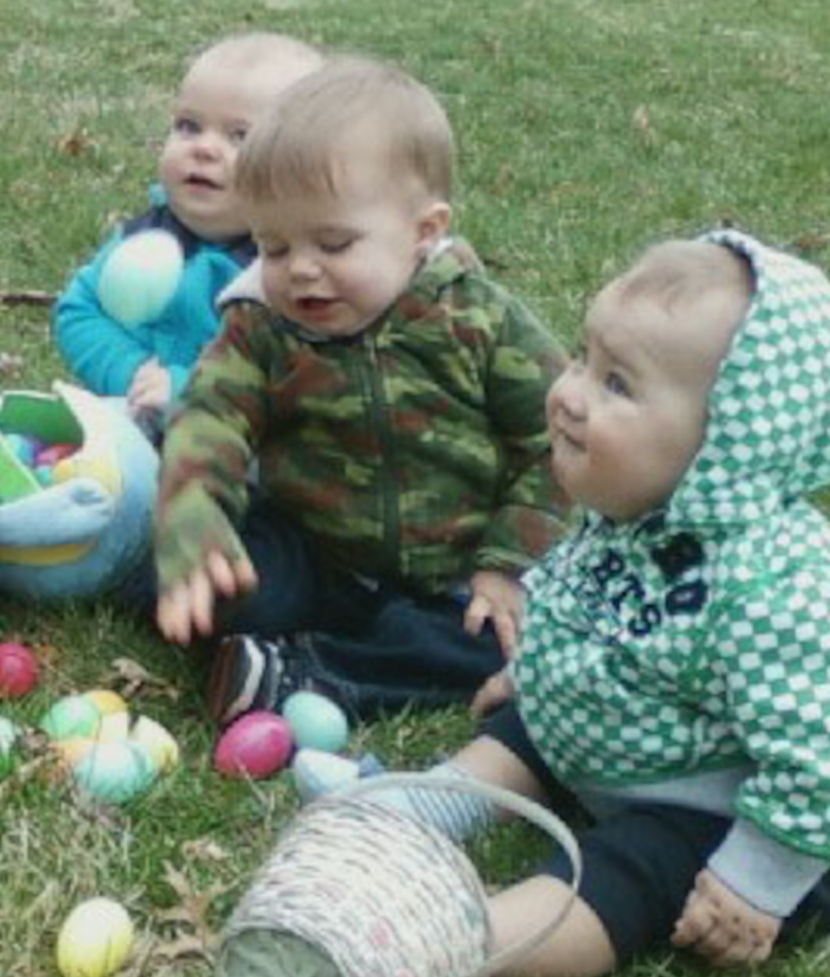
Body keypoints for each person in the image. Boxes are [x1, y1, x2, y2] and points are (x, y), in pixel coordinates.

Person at [392, 234, 830, 977]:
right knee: (523, 733)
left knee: (641, 864)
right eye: (584, 358)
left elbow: (820, 760)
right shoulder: (637, 513)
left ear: (728, 445)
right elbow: (585, 601)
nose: (569, 393)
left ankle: (456, 938)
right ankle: (429, 808)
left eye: (617, 384)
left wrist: (758, 880)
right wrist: (540, 677)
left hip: (762, 806)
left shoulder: (784, 593)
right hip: (655, 733)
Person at [148, 56, 570, 724]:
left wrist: (509, 563)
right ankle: (252, 626)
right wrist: (195, 523)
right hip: (319, 558)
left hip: (459, 568)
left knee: (514, 642)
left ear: (423, 232)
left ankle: (311, 677)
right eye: (274, 248)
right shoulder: (260, 323)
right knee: (227, 582)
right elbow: (208, 419)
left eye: (335, 243)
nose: (301, 271)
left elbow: (558, 437)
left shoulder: (477, 318)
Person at [53, 33, 323, 428]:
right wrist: (133, 375)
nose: (205, 148)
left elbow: (296, 378)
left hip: (233, 459)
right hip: (129, 423)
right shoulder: (145, 238)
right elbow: (79, 311)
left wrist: (189, 389)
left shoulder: (289, 274)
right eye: (189, 126)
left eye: (240, 136)